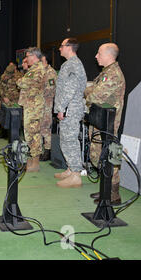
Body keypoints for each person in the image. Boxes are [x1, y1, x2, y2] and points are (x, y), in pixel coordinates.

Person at [85, 43, 125, 204]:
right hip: (100, 121)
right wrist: (90, 92)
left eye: (99, 53)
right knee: (98, 156)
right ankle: (105, 188)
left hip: (108, 124)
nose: (96, 56)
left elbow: (94, 95)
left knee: (108, 155)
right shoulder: (106, 73)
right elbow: (93, 91)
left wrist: (89, 92)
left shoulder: (113, 74)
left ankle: (113, 194)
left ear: (108, 55)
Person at [53, 38, 87, 188]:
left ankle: (76, 175)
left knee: (70, 140)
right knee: (65, 139)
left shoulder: (73, 64)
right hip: (68, 108)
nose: (59, 49)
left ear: (69, 47)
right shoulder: (68, 64)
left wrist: (62, 108)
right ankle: (70, 168)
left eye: (61, 46)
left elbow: (70, 89)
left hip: (70, 109)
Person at [16, 48, 47, 172]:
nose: (26, 58)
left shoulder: (37, 69)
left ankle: (35, 163)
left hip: (34, 106)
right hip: (31, 105)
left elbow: (22, 83)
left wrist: (21, 80)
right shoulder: (33, 69)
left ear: (34, 56)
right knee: (29, 133)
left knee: (33, 133)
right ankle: (31, 159)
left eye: (27, 56)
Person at [39, 53, 57, 161]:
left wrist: (37, 92)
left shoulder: (51, 73)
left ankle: (48, 150)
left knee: (45, 128)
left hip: (46, 103)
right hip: (39, 104)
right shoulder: (41, 72)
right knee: (40, 127)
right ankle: (41, 149)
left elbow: (51, 89)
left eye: (42, 60)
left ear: (46, 61)